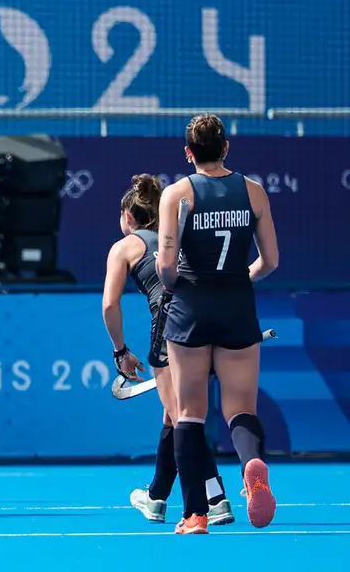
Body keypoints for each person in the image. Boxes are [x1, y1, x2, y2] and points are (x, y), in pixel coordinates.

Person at [156, 114, 279, 534]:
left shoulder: (175, 193)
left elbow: (167, 269)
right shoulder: (254, 192)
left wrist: (177, 282)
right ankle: (252, 465)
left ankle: (195, 515)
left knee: (188, 411)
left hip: (190, 307)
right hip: (237, 305)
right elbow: (271, 261)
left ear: (189, 153)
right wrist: (240, 277)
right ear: (226, 147)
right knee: (241, 407)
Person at [101, 174, 233, 526]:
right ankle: (157, 497)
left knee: (182, 416)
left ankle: (215, 497)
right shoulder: (177, 238)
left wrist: (120, 353)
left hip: (173, 326)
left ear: (128, 217)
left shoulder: (125, 246)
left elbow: (110, 306)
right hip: (208, 319)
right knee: (174, 416)